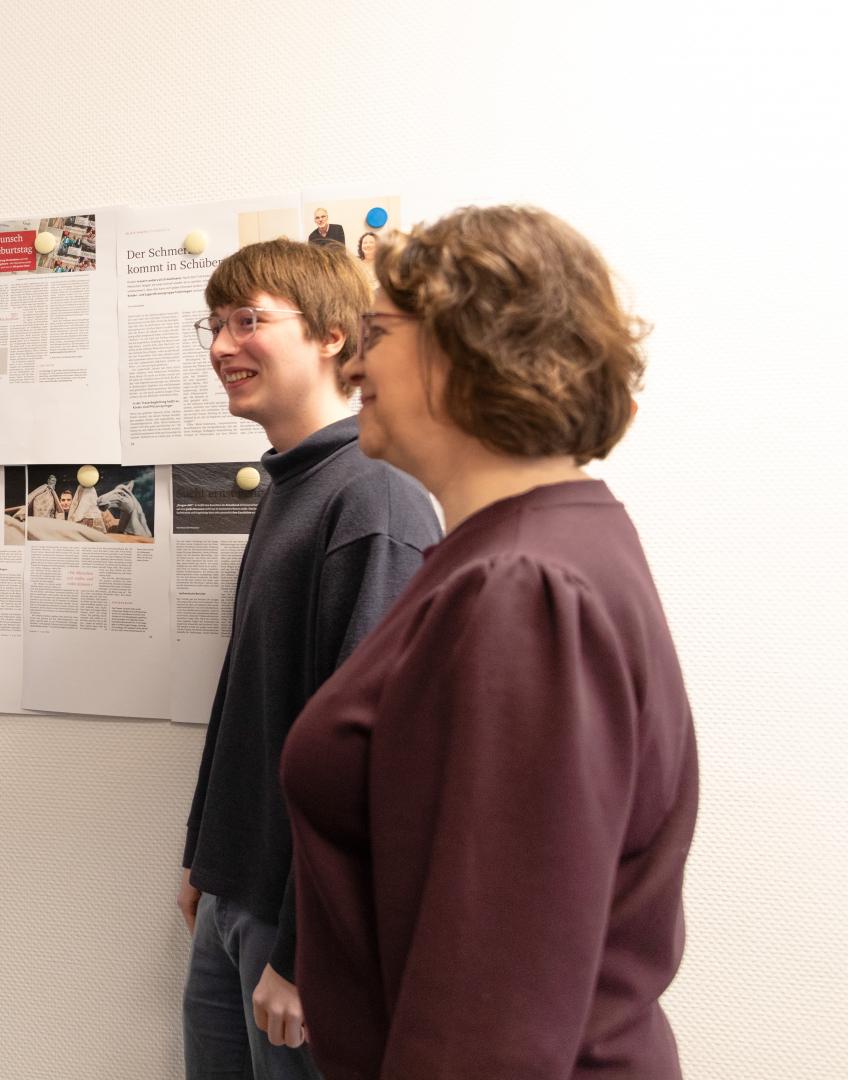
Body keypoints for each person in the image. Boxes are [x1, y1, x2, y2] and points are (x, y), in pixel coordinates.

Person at [283, 205, 698, 1078]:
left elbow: (488, 1020)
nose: (354, 361)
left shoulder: (521, 589)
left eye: (379, 332)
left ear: (469, 348)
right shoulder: (532, 551)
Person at [180, 239, 440, 1080]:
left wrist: (303, 948)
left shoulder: (376, 496)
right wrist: (202, 857)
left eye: (248, 320)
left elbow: (374, 755)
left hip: (298, 932)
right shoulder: (293, 484)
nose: (222, 346)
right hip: (235, 897)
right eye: (214, 325)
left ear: (333, 334)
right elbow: (245, 697)